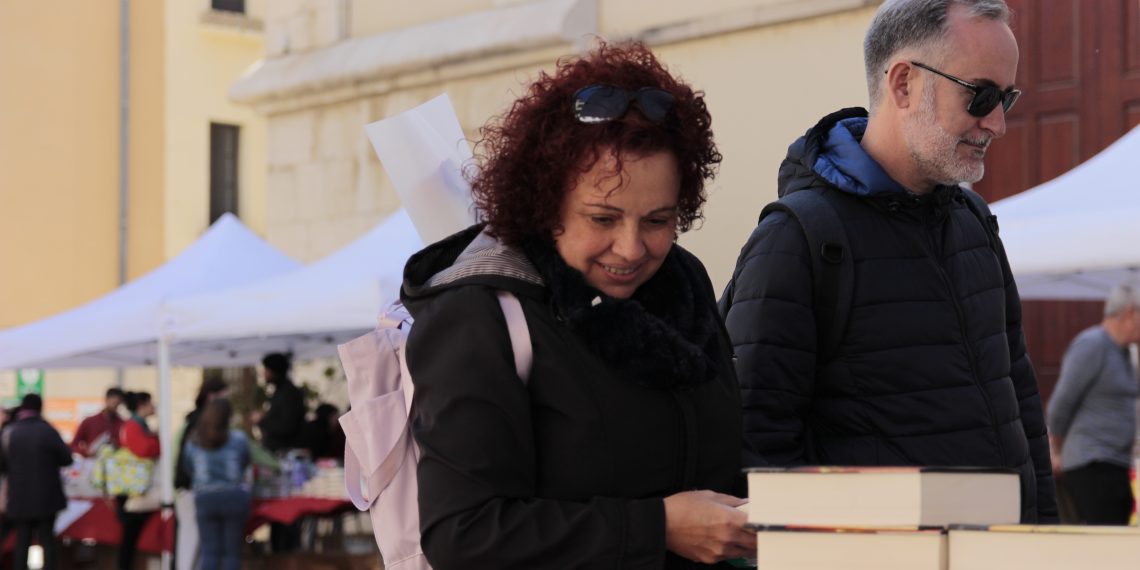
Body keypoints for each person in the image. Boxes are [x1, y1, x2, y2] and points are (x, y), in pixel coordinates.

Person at [400, 41, 752, 568]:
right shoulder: (481, 312)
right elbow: (463, 534)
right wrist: (656, 528)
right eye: (603, 218)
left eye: (658, 220)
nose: (631, 248)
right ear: (544, 204)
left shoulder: (685, 280)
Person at [720, 0, 1057, 523]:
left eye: (1006, 98)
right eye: (981, 95)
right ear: (903, 84)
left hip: (1002, 552)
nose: (997, 124)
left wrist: (1042, 537)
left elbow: (1021, 404)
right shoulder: (798, 239)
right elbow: (754, 448)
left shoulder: (973, 221)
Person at [1047, 283, 1140, 525]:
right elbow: (1061, 404)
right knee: (1103, 537)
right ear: (1130, 313)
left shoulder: (1125, 352)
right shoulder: (1092, 345)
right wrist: (1058, 450)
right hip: (1092, 463)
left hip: (1115, 463)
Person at [0, 394, 72, 570]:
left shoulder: (10, 432)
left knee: (22, 541)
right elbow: (66, 458)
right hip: (47, 497)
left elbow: (2, 465)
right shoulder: (48, 430)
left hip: (19, 496)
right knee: (47, 540)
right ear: (40, 408)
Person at [183, 399, 252, 570]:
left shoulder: (195, 441)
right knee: (232, 552)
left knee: (209, 552)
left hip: (205, 497)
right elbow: (245, 462)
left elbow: (188, 468)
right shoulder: (238, 438)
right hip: (234, 495)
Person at [174, 377, 229, 570]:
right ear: (212, 397)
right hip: (193, 489)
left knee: (196, 544)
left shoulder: (195, 421)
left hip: (193, 489)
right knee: (192, 542)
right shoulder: (201, 424)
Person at [117, 391, 159, 570]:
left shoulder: (136, 425)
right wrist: (157, 442)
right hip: (133, 488)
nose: (154, 406)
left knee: (131, 537)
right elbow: (143, 450)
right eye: (151, 403)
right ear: (142, 405)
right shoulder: (134, 426)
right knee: (129, 537)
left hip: (134, 487)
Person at [256, 353, 306, 453]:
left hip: (284, 452)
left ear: (274, 371)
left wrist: (262, 421)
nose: (263, 373)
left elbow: (287, 426)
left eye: (266, 369)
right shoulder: (281, 391)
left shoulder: (288, 393)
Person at [70, 387, 125, 457]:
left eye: (118, 404)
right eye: (113, 402)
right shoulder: (89, 421)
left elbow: (125, 447)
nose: (115, 406)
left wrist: (116, 445)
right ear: (106, 400)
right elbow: (73, 445)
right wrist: (85, 451)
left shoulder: (122, 424)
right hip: (92, 460)